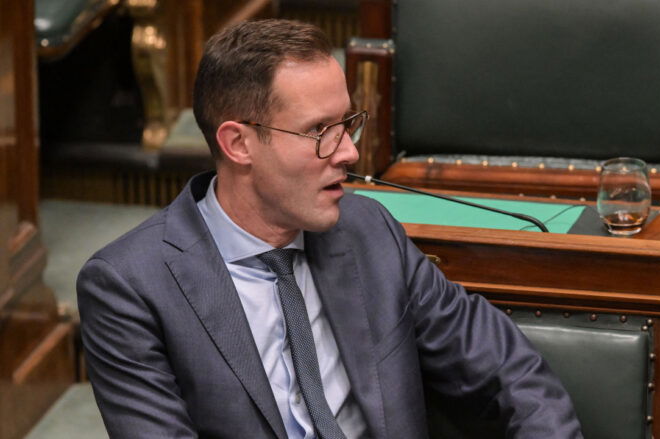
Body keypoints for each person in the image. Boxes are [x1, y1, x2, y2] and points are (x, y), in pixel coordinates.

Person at [77, 19, 582, 439]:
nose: (350, 152)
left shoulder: (368, 230)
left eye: (347, 123)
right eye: (319, 130)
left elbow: (511, 374)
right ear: (238, 144)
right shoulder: (131, 286)